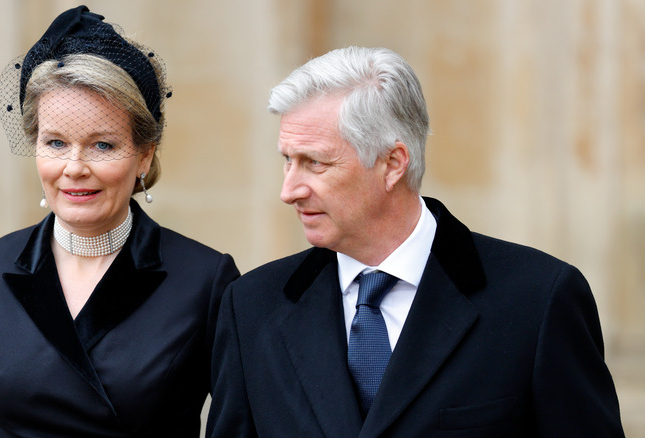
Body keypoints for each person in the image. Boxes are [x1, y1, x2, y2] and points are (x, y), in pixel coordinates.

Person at [207, 46, 624, 437]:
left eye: (314, 163)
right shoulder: (250, 307)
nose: (289, 190)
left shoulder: (538, 300)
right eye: (287, 161)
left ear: (392, 164)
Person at [0, 6, 239, 437]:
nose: (74, 168)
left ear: (144, 155)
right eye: (56, 142)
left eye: (102, 145)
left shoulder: (206, 281)